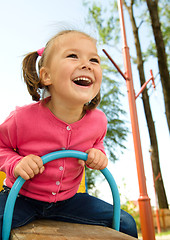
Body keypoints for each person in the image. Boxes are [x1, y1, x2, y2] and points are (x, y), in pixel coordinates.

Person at [0, 29, 138, 239]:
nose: (87, 64)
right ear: (46, 76)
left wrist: (97, 154)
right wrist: (15, 164)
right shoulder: (22, 118)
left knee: (126, 223)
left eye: (94, 59)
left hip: (69, 201)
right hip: (20, 197)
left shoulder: (99, 121)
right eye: (73, 56)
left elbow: (97, 143)